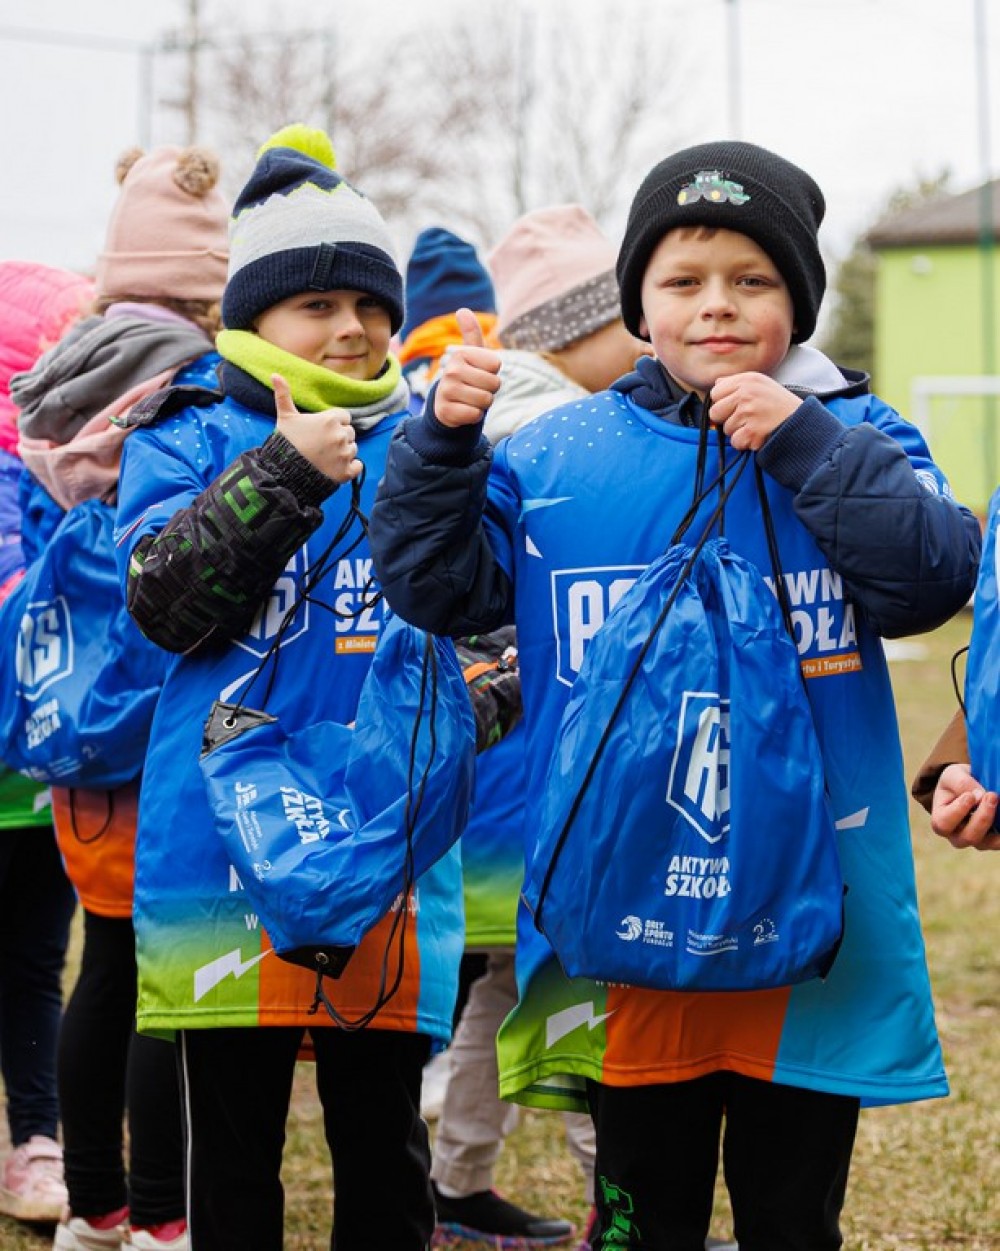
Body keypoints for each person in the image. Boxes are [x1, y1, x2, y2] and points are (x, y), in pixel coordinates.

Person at [366, 140, 981, 1250]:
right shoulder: (555, 453)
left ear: (797, 300)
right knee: (642, 1215)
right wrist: (441, 448)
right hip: (627, 921)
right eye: (683, 280)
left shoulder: (860, 433)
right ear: (637, 305)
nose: (717, 305)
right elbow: (435, 588)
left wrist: (806, 445)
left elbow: (928, 581)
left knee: (793, 1216)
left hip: (812, 920)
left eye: (753, 280)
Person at [113, 123, 464, 1251]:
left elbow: (481, 632)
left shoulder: (427, 446)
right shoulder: (183, 436)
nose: (351, 327)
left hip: (384, 845)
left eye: (369, 304)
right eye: (316, 304)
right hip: (217, 854)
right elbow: (163, 606)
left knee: (383, 1150)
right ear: (251, 319)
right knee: (233, 1155)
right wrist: (283, 472)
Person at [8, 144, 231, 1251]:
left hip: (76, 731)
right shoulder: (186, 384)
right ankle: (160, 1215)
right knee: (166, 983)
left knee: (101, 962)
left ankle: (94, 1207)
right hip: (159, 728)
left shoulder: (60, 379)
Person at [0, 261, 89, 1228]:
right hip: (24, 753)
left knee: (34, 961)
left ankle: (37, 1139)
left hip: (45, 771)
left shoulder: (75, 464)